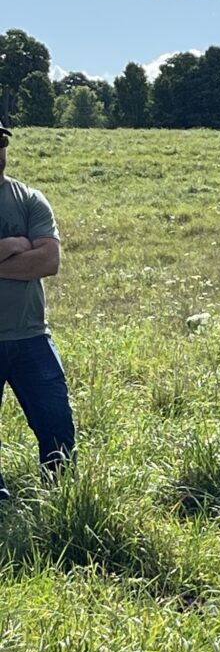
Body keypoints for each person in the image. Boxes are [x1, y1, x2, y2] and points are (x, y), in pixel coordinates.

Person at [0, 123, 76, 502]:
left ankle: (60, 498)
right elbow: (33, 258)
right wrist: (14, 245)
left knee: (56, 422)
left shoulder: (30, 199)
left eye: (0, 142)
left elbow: (48, 261)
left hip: (32, 336)